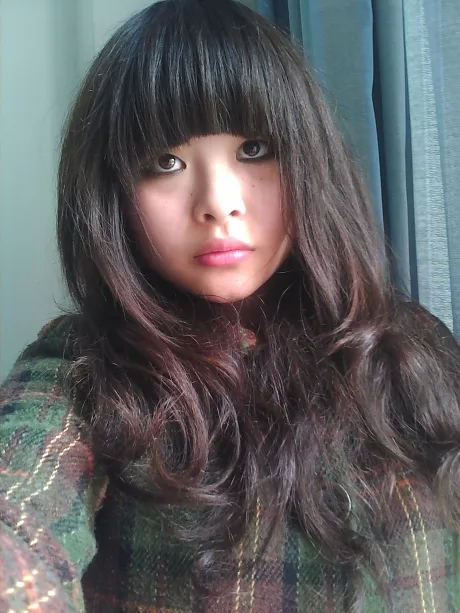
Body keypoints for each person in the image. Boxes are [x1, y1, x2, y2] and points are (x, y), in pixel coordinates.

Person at [1, 0, 459, 611]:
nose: (219, 203)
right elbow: (19, 510)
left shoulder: (413, 347)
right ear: (113, 196)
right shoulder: (82, 368)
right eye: (165, 163)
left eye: (254, 149)